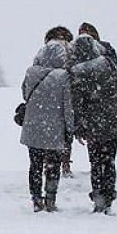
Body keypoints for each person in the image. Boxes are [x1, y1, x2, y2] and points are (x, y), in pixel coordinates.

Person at [70, 34, 117, 214]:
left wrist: (78, 127)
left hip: (92, 121)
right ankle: (109, 197)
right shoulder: (107, 62)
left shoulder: (77, 71)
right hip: (113, 118)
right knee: (109, 161)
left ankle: (98, 198)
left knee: (95, 162)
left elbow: (77, 102)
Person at [19, 36, 74, 213]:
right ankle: (50, 198)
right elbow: (67, 105)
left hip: (33, 125)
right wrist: (70, 127)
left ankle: (36, 198)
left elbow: (25, 93)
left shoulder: (31, 72)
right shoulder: (63, 76)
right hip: (55, 127)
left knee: (34, 164)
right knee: (53, 165)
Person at [43, 26, 76, 178]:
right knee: (63, 133)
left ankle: (58, 162)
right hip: (60, 99)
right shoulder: (69, 53)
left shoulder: (45, 53)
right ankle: (60, 162)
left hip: (53, 100)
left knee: (59, 134)